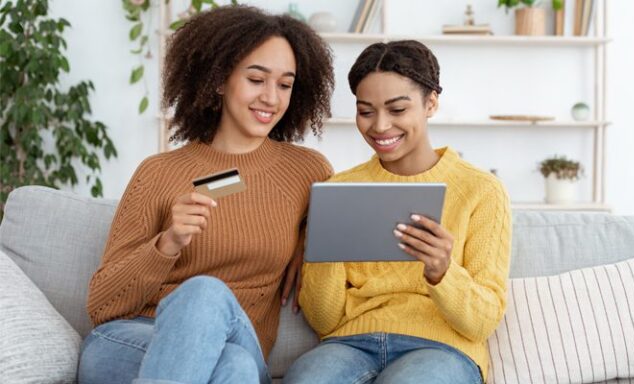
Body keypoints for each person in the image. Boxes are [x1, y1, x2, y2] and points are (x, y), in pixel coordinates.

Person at [78, 5, 334, 384]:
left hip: (239, 342)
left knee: (234, 355)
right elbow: (102, 304)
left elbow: (343, 224)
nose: (271, 97)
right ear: (218, 80)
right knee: (220, 333)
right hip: (131, 340)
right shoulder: (159, 172)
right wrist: (167, 243)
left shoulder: (307, 172)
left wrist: (308, 236)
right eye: (256, 79)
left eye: (284, 84)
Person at [284, 40, 511, 384]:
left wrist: (442, 271)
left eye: (397, 109)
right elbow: (323, 320)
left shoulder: (481, 191)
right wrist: (324, 247)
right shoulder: (339, 189)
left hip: (440, 349)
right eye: (366, 111)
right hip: (349, 343)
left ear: (430, 103)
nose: (380, 126)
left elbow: (482, 322)